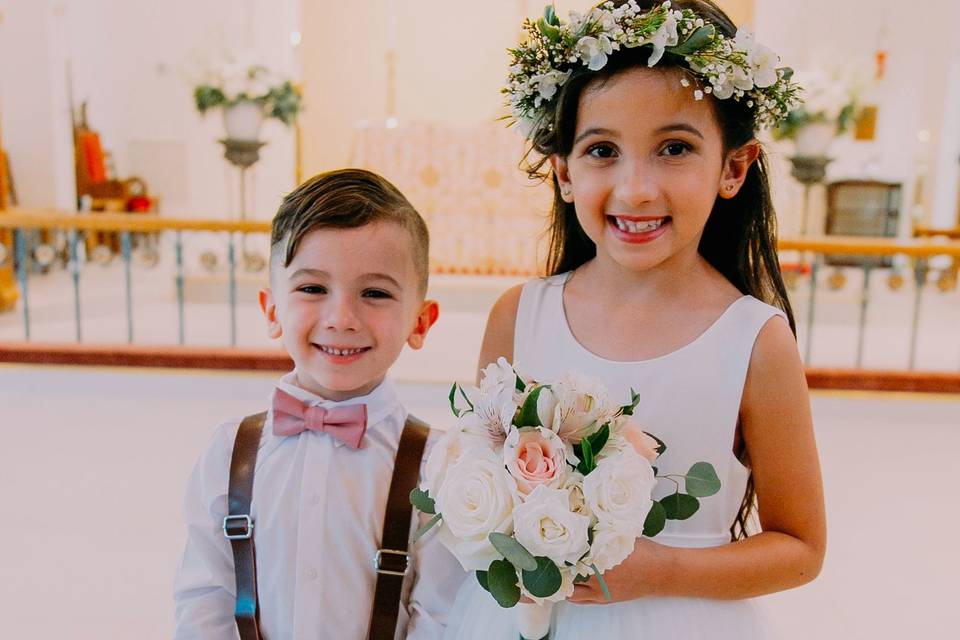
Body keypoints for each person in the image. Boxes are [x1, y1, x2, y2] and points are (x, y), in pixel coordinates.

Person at [443, 1, 825, 638]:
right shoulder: (519, 315)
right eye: (602, 151)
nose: (637, 188)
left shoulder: (753, 340)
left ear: (734, 167)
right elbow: (479, 474)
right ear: (564, 172)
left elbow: (801, 547)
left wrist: (660, 570)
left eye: (674, 148)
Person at [173, 168, 464, 639]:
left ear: (421, 321)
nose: (341, 318)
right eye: (312, 289)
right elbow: (205, 598)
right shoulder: (229, 452)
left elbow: (441, 615)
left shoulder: (440, 468)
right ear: (271, 310)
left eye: (375, 293)